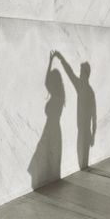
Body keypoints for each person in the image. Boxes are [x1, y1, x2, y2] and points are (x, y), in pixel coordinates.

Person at [28, 51, 65, 189]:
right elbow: (46, 82)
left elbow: (46, 81)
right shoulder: (59, 95)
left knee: (46, 156)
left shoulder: (57, 96)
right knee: (48, 156)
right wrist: (50, 61)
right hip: (52, 128)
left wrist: (51, 61)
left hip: (51, 129)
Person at [54, 51, 96, 169]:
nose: (80, 73)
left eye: (81, 71)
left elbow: (94, 115)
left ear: (86, 74)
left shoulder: (87, 90)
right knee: (81, 162)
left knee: (83, 163)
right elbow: (69, 71)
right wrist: (61, 57)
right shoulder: (81, 86)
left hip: (85, 132)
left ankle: (85, 181)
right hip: (81, 131)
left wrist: (93, 135)